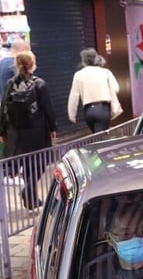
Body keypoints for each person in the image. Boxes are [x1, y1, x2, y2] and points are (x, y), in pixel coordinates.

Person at [0, 51, 57, 208]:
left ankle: (31, 198)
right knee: (39, 163)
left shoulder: (10, 83)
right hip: (37, 131)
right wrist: (53, 128)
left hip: (15, 133)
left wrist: (2, 131)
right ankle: (28, 191)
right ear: (32, 64)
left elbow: (3, 107)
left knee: (27, 162)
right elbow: (48, 109)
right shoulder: (40, 84)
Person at [68, 48, 120, 133]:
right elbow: (116, 88)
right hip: (103, 109)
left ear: (83, 60)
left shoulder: (78, 75)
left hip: (88, 111)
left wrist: (72, 115)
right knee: (101, 139)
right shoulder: (105, 72)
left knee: (96, 136)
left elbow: (74, 96)